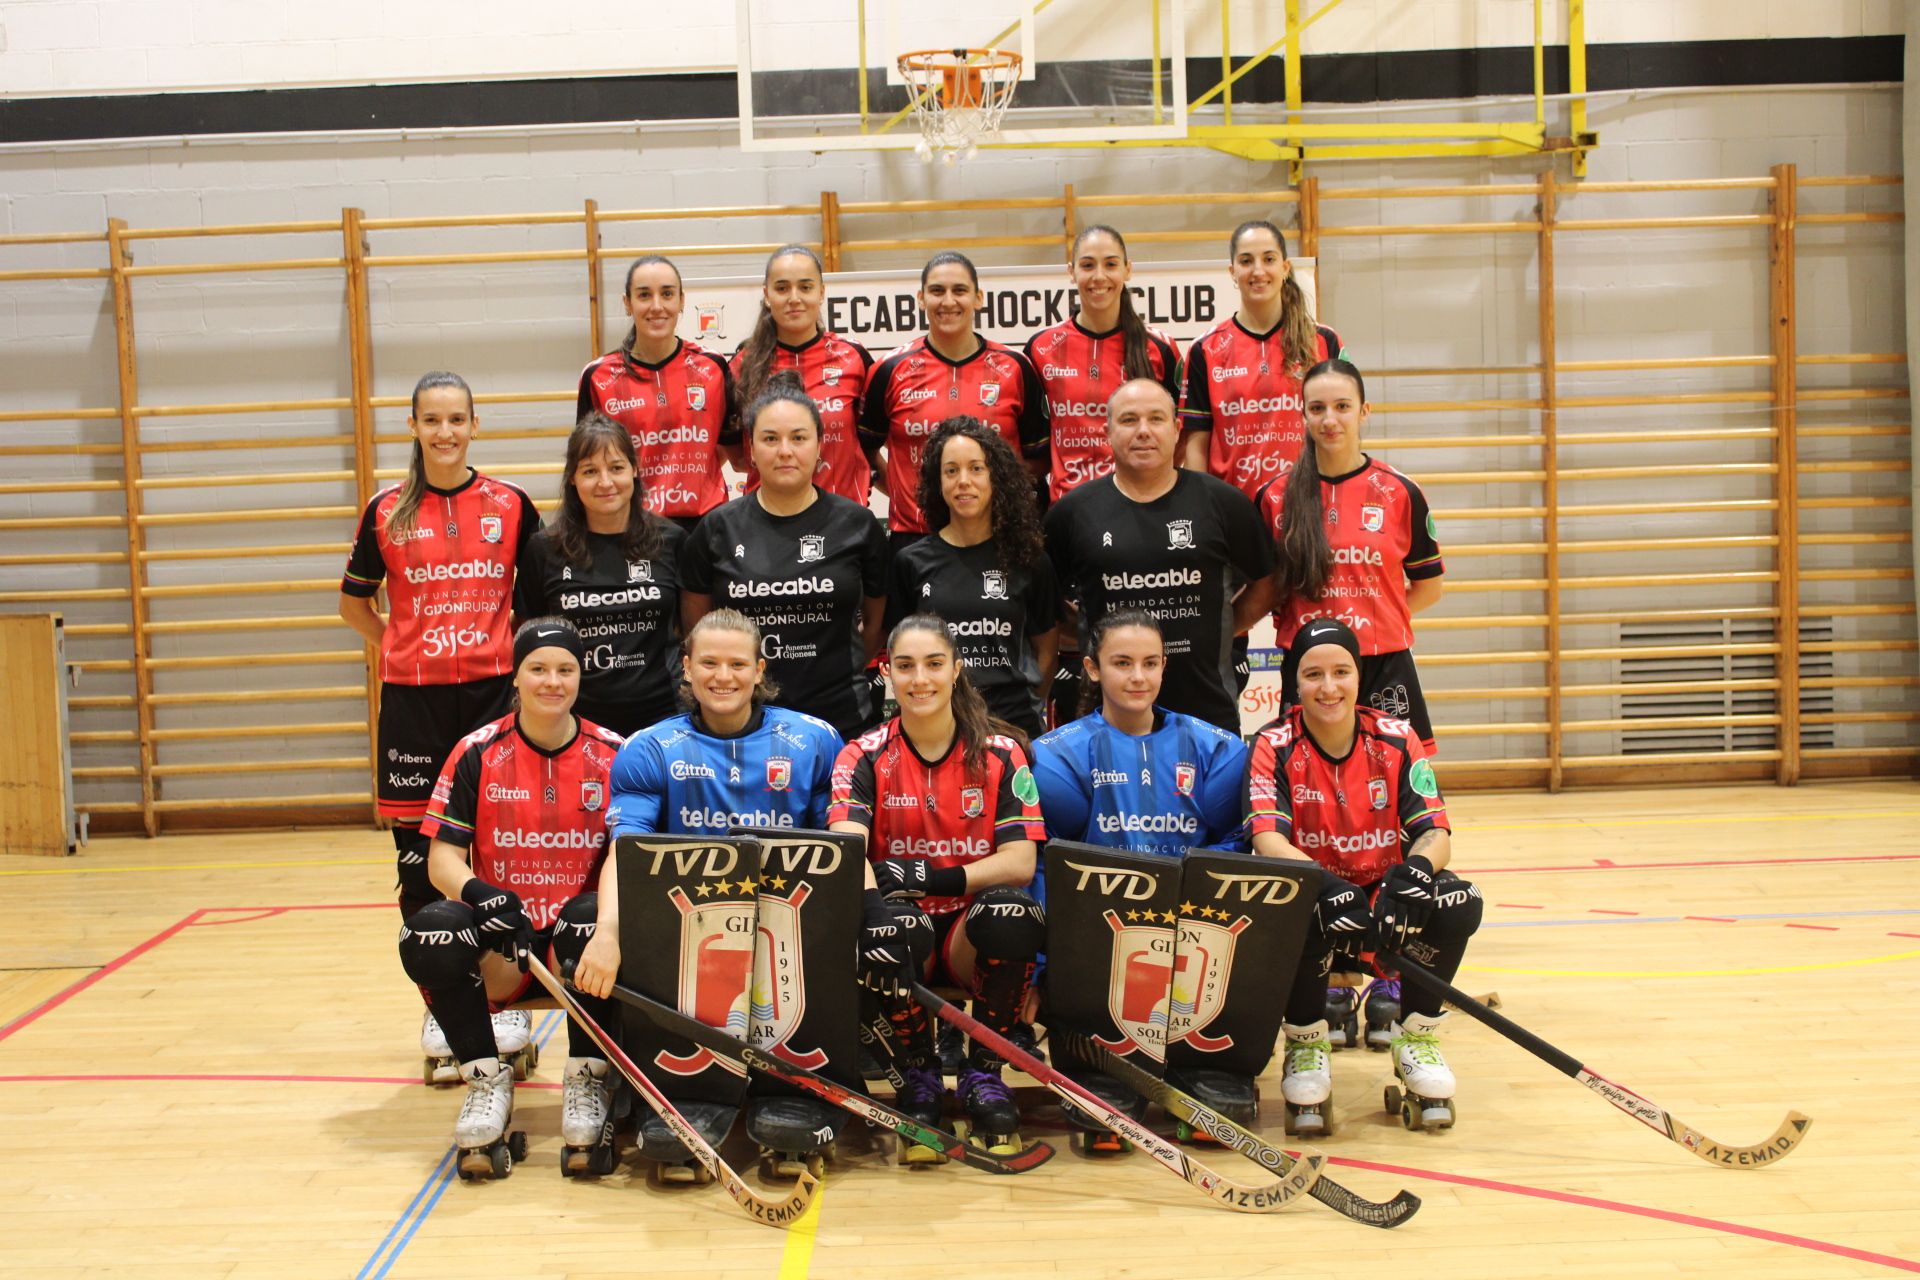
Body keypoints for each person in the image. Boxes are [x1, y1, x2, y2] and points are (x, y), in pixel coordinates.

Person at [338, 371, 541, 1077]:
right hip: (414, 707)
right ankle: (441, 1003)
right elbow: (354, 604)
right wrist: (403, 647)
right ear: (414, 427)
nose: (445, 432)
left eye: (457, 420)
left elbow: (536, 605)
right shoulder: (386, 510)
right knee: (419, 865)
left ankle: (501, 998)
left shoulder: (511, 505)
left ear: (475, 425)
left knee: (495, 855)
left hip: (491, 699)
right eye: (432, 420)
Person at [397, 618, 628, 1176]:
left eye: (566, 669)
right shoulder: (476, 752)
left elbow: (627, 856)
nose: (553, 681)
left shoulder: (616, 753)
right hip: (505, 944)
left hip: (578, 948)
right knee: (430, 934)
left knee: (587, 918)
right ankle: (484, 1078)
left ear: (581, 677)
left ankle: (587, 1077)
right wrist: (483, 895)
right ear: (516, 677)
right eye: (538, 669)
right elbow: (442, 859)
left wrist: (608, 924)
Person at [1244, 617, 1483, 1135]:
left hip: (1381, 899)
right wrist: (1327, 886)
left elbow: (1435, 831)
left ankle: (1415, 1038)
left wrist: (1415, 872)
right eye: (1312, 674)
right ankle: (1306, 1044)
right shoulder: (1273, 743)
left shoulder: (1397, 738)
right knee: (1287, 905)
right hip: (1317, 895)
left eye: (1341, 672)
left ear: (1359, 676)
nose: (1328, 687)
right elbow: (1267, 840)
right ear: (1294, 682)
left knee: (1460, 900)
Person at [829, 614, 1048, 1160]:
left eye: (933, 664)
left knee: (1014, 913)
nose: (920, 679)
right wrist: (874, 910)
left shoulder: (1002, 752)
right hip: (908, 931)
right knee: (894, 925)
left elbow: (1021, 863)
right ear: (887, 673)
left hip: (969, 930)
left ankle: (984, 1073)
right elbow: (848, 847)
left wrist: (935, 876)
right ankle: (918, 1075)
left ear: (956, 670)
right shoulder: (862, 754)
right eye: (905, 666)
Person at [1044, 378, 1275, 734]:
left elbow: (1269, 582)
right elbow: (1040, 601)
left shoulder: (1222, 502)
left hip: (1208, 716)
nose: (1143, 431)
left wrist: (1226, 627)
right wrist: (1091, 633)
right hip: (1109, 719)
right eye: (1129, 420)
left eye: (1156, 418)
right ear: (1107, 432)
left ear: (1177, 429)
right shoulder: (1072, 512)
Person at [1025, 224, 1183, 726]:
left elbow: (1175, 439)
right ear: (1071, 272)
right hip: (1069, 524)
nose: (1099, 276)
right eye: (1088, 265)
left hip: (1142, 515)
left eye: (1111, 264)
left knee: (1142, 646)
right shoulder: (1041, 348)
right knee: (1080, 653)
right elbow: (1032, 448)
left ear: (1128, 270)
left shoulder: (1160, 349)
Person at [679, 372, 889, 740]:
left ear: (820, 445)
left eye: (799, 438)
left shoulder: (857, 524)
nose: (785, 451)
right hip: (741, 724)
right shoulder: (716, 529)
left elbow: (876, 624)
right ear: (751, 448)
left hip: (840, 720)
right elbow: (695, 630)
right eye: (770, 439)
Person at [1262, 358, 1444, 753]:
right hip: (1309, 667)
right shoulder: (1275, 497)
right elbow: (1266, 590)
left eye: (1342, 406)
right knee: (1307, 778)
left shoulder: (1400, 492)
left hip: (1384, 664)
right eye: (1317, 408)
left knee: (1398, 781)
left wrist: (1376, 618)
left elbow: (1429, 588)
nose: (1330, 419)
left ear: (1364, 411)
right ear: (1303, 415)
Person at [860, 251, 1049, 552]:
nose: (948, 301)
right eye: (937, 291)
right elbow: (863, 449)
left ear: (978, 298)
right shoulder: (889, 369)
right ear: (921, 299)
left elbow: (1040, 458)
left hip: (998, 535)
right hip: (915, 536)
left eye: (959, 290)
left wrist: (1000, 497)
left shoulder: (1015, 367)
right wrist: (900, 491)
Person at [514, 413, 684, 737]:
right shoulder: (543, 549)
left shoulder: (672, 540)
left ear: (635, 469)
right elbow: (528, 637)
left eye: (616, 468)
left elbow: (691, 629)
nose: (605, 482)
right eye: (590, 471)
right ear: (572, 478)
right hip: (574, 722)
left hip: (662, 717)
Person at [886, 418, 1057, 739]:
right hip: (937, 727)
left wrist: (1030, 703)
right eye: (951, 471)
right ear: (938, 482)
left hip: (1014, 726)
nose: (963, 481)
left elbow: (1046, 649)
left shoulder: (1029, 560)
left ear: (996, 477)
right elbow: (900, 651)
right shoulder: (911, 561)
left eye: (976, 468)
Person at [605, 608, 842, 839]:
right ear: (687, 668)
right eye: (709, 663)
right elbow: (626, 852)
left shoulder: (815, 741)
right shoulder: (649, 749)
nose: (723, 677)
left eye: (737, 664)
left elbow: (839, 847)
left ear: (758, 671)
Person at [1031, 610, 1248, 861]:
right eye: (1123, 663)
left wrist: (1173, 880)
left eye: (1150, 663)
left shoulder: (1217, 749)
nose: (1138, 677)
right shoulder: (1057, 756)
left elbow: (1233, 845)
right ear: (1093, 668)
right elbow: (1046, 861)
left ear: (1163, 666)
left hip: (1189, 889)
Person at [1181, 218, 1344, 499]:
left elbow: (1344, 428)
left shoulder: (1324, 341)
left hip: (1305, 504)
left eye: (1269, 259)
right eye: (1246, 261)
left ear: (1285, 268)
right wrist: (1199, 510)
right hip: (1232, 509)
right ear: (1232, 272)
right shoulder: (1204, 349)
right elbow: (1196, 445)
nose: (1258, 271)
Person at [577, 254, 738, 528]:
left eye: (667, 294)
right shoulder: (598, 376)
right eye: (644, 295)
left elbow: (733, 451)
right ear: (627, 303)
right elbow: (588, 463)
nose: (656, 306)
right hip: (633, 529)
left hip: (706, 526)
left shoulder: (713, 366)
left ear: (682, 300)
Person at [730, 243, 877, 506]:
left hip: (843, 517)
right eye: (782, 288)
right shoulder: (742, 364)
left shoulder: (854, 357)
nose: (794, 298)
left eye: (806, 287)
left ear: (821, 292)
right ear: (766, 295)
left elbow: (872, 443)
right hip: (767, 519)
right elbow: (736, 457)